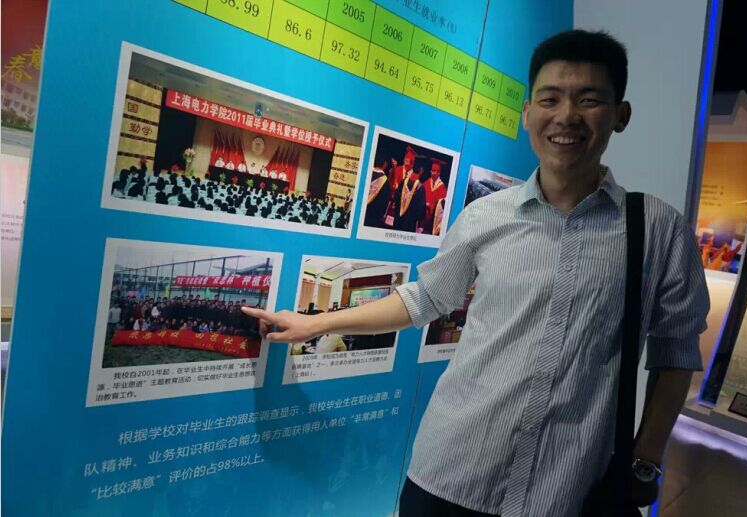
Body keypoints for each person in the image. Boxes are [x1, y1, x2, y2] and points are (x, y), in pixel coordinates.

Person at [242, 30, 709, 517]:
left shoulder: (657, 230)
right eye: (550, 98)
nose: (567, 116)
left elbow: (675, 351)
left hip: (565, 491)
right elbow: (423, 299)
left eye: (589, 100)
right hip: (450, 474)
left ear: (620, 115)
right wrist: (314, 324)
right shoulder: (486, 216)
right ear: (527, 114)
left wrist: (645, 460)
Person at [421, 158, 448, 235]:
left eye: (435, 171)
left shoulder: (442, 187)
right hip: (423, 216)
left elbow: (441, 207)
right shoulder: (426, 182)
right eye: (432, 171)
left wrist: (430, 207)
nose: (433, 173)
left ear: (439, 173)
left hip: (433, 219)